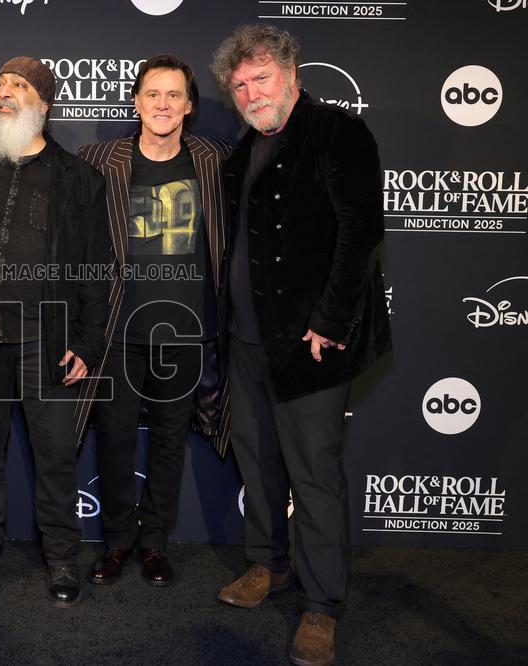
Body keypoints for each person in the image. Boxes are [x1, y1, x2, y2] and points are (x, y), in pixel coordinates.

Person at [209, 24, 391, 666]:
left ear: (291, 73)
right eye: (240, 86)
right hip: (246, 338)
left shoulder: (337, 132)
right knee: (258, 464)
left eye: (261, 78)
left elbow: (361, 233)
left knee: (313, 475)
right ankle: (268, 564)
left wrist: (331, 322)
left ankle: (321, 605)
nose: (252, 94)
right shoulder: (242, 152)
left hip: (311, 344)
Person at [0, 57, 111, 608]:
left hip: (48, 341)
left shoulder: (79, 178)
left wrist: (87, 342)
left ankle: (62, 558)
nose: (5, 91)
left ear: (43, 103)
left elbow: (96, 267)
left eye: (19, 85)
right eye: (0, 83)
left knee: (57, 457)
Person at [76, 54, 231, 587]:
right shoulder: (100, 159)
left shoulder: (214, 159)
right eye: (152, 94)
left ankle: (155, 544)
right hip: (119, 332)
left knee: (169, 441)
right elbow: (40, 169)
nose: (162, 104)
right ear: (137, 102)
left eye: (173, 95)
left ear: (189, 106)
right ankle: (117, 542)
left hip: (186, 331)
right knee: (115, 440)